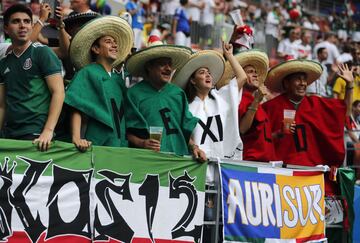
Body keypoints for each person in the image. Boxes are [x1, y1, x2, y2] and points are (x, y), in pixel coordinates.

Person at [262, 59, 354, 195]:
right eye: (298, 79)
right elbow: (260, 140)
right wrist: (278, 134)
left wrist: (350, 85)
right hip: (281, 176)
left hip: (313, 176)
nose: (303, 83)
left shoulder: (317, 104)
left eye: (304, 79)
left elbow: (344, 112)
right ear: (286, 83)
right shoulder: (269, 108)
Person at [172, 42, 247, 183]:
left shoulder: (222, 97)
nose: (208, 75)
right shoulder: (186, 106)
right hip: (198, 168)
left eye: (209, 73)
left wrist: (229, 55)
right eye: (202, 72)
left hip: (225, 169)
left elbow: (242, 77)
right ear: (193, 81)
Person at [124, 35, 206, 161]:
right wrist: (142, 143)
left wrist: (194, 147)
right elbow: (126, 131)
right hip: (148, 162)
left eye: (170, 64)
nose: (168, 68)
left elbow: (183, 130)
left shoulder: (178, 93)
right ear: (149, 67)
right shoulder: (134, 94)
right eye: (162, 64)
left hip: (178, 159)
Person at [0, 4, 65, 151]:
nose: (22, 25)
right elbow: (2, 105)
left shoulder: (42, 53)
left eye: (27, 21)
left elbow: (59, 92)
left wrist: (48, 131)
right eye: (16, 21)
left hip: (37, 133)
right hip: (9, 134)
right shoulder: (3, 62)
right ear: (6, 29)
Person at [64, 16, 133, 150]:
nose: (114, 45)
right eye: (108, 42)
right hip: (96, 143)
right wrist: (77, 137)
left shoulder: (118, 79)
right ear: (95, 49)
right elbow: (77, 105)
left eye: (115, 42)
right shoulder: (87, 72)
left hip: (120, 144)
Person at [234, 50, 276, 162]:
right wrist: (257, 100)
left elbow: (258, 134)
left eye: (255, 72)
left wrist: (277, 134)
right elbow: (242, 129)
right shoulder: (239, 98)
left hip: (266, 162)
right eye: (250, 72)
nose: (256, 74)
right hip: (251, 161)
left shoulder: (254, 99)